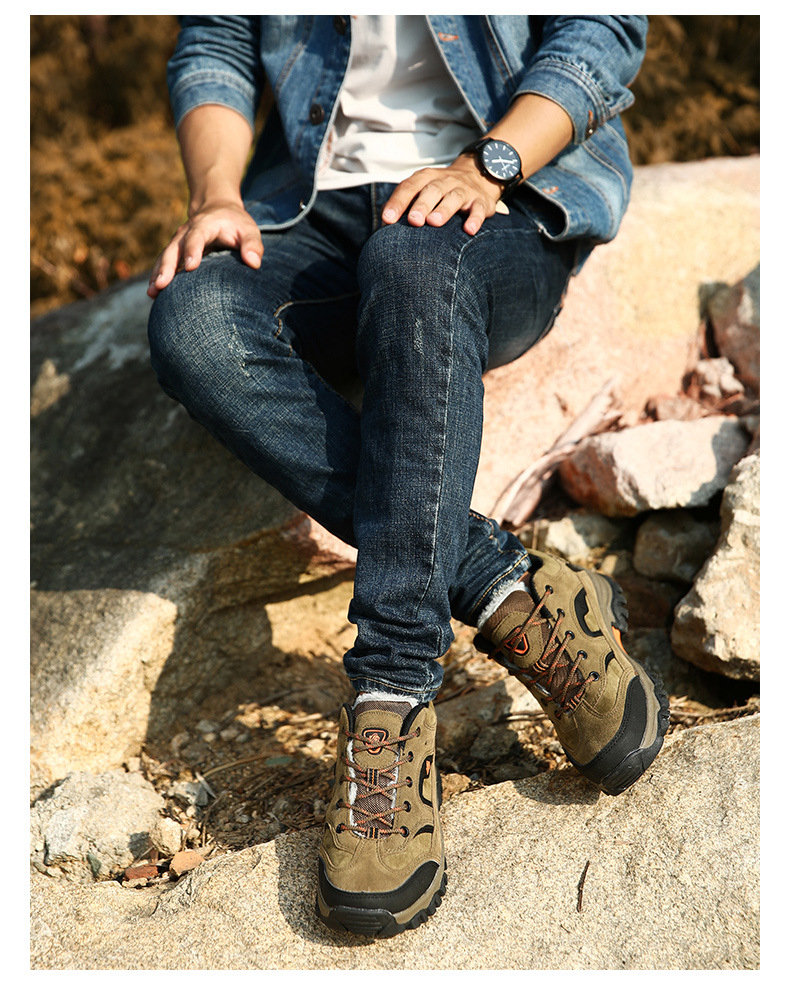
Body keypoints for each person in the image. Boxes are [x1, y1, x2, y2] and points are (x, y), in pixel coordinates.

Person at [147, 15, 669, 939]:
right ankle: (509, 590)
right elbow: (217, 43)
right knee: (193, 322)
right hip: (306, 208)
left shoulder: (498, 174)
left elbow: (601, 28)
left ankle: (389, 696)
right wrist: (216, 193)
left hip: (508, 194)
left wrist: (491, 163)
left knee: (415, 261)